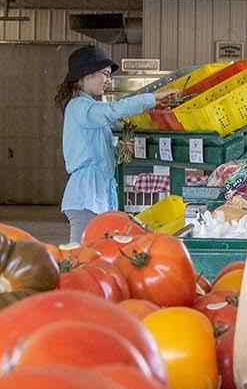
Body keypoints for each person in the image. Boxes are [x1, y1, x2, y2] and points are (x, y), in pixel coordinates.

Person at [55, 44, 176, 245]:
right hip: (86, 196)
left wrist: (117, 151)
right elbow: (113, 110)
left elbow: (96, 151)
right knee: (79, 257)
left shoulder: (87, 107)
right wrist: (154, 97)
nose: (108, 81)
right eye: (105, 74)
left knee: (92, 256)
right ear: (87, 74)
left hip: (95, 195)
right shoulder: (80, 106)